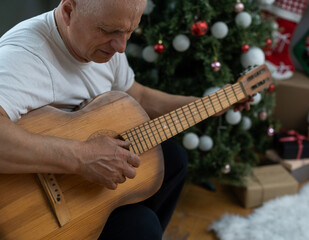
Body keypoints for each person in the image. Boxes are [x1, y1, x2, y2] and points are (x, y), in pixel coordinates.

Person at [0, 0, 251, 239]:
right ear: (68, 11)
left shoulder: (107, 41)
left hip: (78, 192)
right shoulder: (23, 57)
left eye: (130, 31)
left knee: (173, 159)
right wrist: (82, 157)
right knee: (141, 227)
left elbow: (137, 95)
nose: (121, 47)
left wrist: (207, 105)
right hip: (32, 211)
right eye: (109, 30)